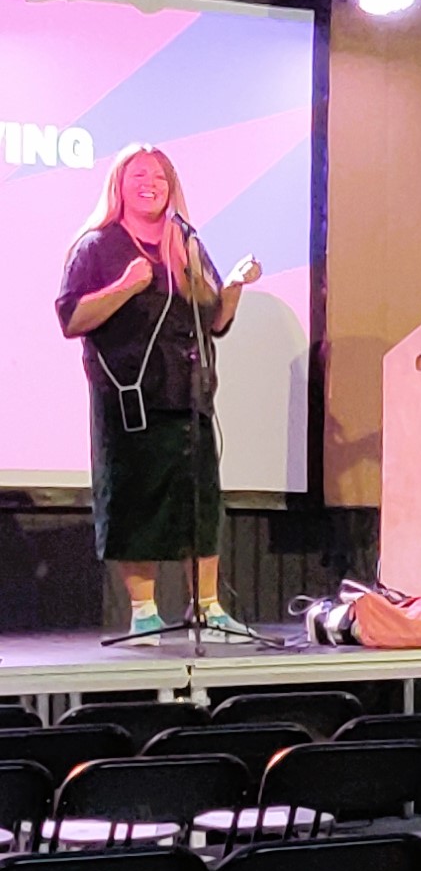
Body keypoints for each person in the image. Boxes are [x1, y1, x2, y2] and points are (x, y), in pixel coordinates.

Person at [57, 144, 261, 638]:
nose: (151, 184)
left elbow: (214, 321)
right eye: (139, 175)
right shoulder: (96, 246)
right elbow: (71, 319)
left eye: (160, 177)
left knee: (201, 499)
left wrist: (232, 288)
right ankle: (144, 611)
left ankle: (207, 607)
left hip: (187, 395)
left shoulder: (185, 244)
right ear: (118, 186)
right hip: (129, 398)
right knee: (136, 500)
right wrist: (125, 286)